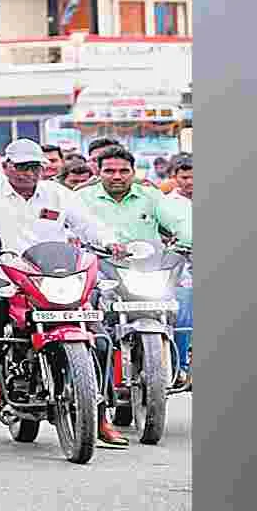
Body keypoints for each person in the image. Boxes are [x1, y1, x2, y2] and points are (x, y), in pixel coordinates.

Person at [0, 139, 128, 446]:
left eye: (34, 167)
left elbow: (89, 225)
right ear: (5, 167)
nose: (27, 173)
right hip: (5, 274)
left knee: (98, 337)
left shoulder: (59, 195)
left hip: (56, 278)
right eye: (20, 167)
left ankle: (100, 417)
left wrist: (111, 242)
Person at [78, 147, 193, 386]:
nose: (117, 176)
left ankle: (179, 366)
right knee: (91, 312)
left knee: (182, 300)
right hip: (100, 270)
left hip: (147, 270)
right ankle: (97, 380)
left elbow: (178, 220)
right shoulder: (82, 198)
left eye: (123, 171)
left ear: (133, 172)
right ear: (98, 172)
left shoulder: (151, 196)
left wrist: (187, 239)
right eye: (109, 171)